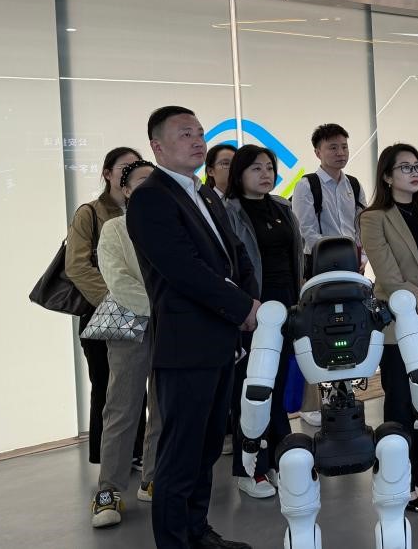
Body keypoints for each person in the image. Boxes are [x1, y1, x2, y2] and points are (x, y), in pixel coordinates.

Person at [126, 106, 259, 549]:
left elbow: (236, 255)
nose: (198, 140)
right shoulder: (151, 198)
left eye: (200, 132)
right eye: (185, 134)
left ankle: (198, 532)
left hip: (221, 341)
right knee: (180, 457)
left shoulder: (204, 193)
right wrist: (241, 306)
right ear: (157, 147)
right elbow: (183, 269)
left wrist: (250, 301)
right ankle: (175, 541)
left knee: (206, 451)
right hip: (186, 346)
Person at [360, 143, 418, 513]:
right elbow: (388, 276)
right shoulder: (374, 218)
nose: (414, 173)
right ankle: (399, 480)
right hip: (399, 326)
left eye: (417, 166)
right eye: (405, 167)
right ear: (387, 176)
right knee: (400, 404)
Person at [224, 145, 304, 499]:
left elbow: (294, 258)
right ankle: (248, 470)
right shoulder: (229, 212)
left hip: (286, 308)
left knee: (278, 386)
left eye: (269, 167)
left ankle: (275, 461)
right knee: (252, 393)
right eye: (256, 168)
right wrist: (243, 308)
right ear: (239, 173)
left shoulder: (282, 207)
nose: (265, 173)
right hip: (251, 313)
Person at [90, 160, 161, 528]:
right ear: (126, 189)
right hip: (132, 322)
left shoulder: (172, 224)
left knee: (163, 404)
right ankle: (109, 490)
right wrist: (165, 306)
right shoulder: (114, 228)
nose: (151, 186)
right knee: (122, 407)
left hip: (171, 325)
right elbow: (117, 280)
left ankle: (152, 477)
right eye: (141, 181)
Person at [66, 146, 146, 467]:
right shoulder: (90, 213)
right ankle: (109, 458)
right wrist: (115, 300)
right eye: (124, 167)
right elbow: (77, 266)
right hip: (104, 311)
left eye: (136, 166)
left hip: (143, 308)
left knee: (137, 385)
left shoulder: (149, 212)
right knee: (107, 385)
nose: (131, 172)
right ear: (108, 174)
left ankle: (136, 451)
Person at [290, 123, 367, 426]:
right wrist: (337, 256)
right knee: (316, 330)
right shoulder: (307, 185)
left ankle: (344, 390)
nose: (340, 152)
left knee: (349, 328)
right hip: (319, 271)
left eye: (344, 146)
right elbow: (306, 231)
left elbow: (362, 226)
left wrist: (361, 258)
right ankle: (313, 400)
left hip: (352, 270)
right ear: (317, 152)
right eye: (332, 147)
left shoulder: (354, 185)